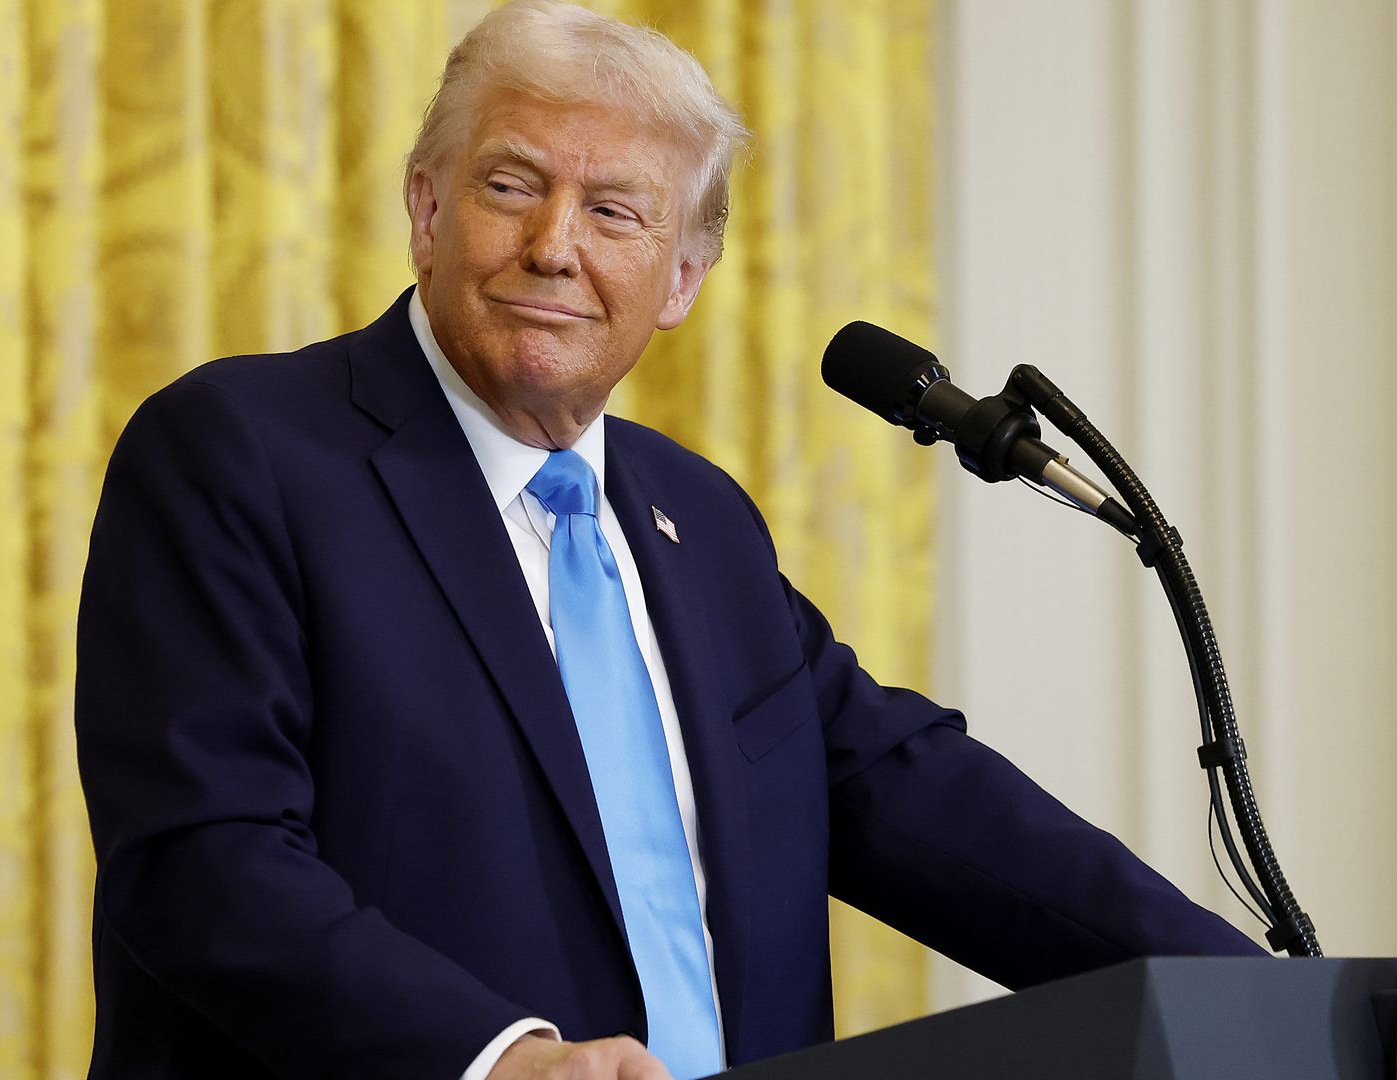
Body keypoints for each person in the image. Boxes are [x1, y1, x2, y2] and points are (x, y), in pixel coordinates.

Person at [73, 3, 1264, 1078]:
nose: (554, 244)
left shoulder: (703, 528)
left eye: (614, 212)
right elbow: (200, 865)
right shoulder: (242, 456)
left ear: (684, 275)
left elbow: (921, 801)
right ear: (425, 209)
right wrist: (505, 1063)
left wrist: (1256, 1007)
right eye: (508, 186)